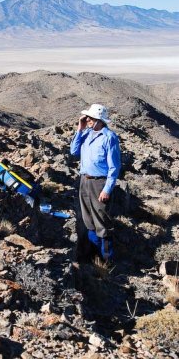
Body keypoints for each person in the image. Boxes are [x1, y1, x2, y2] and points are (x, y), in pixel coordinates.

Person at [70, 103, 121, 262]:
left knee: (102, 221)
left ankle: (106, 259)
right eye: (87, 117)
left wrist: (107, 189)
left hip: (100, 183)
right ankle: (93, 256)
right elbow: (73, 151)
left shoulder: (109, 137)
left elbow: (114, 167)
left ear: (100, 120)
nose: (88, 120)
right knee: (88, 220)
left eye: (91, 118)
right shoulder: (85, 133)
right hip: (84, 181)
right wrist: (80, 128)